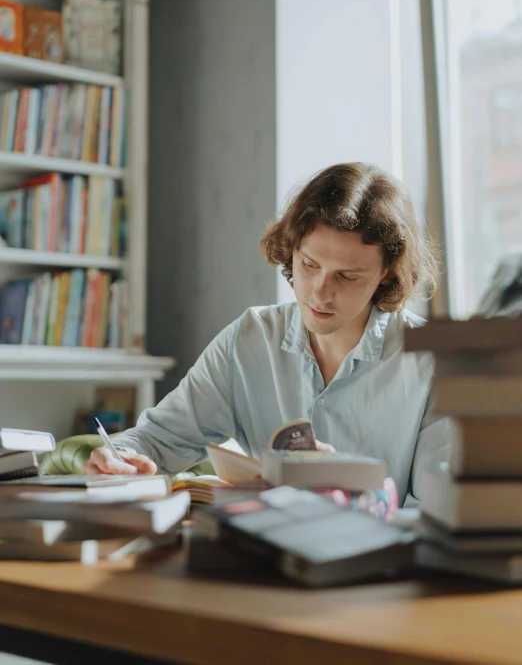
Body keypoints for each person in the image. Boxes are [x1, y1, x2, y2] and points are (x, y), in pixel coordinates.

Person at [83, 162, 451, 505]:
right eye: (309, 264)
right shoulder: (248, 339)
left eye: (347, 276)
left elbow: (443, 514)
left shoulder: (436, 364)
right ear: (291, 249)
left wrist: (354, 496)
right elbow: (157, 439)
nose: (319, 292)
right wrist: (124, 459)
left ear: (387, 271)